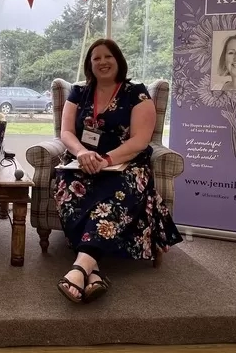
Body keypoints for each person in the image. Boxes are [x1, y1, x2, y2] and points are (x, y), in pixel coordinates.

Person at [54, 39, 183, 303]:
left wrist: (106, 159)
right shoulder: (79, 92)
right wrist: (82, 153)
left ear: (118, 60)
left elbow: (140, 140)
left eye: (108, 56)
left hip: (126, 163)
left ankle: (80, 269)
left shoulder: (136, 93)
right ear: (90, 65)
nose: (102, 62)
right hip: (83, 160)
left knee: (120, 189)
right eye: (96, 58)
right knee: (68, 185)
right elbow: (66, 132)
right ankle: (93, 271)